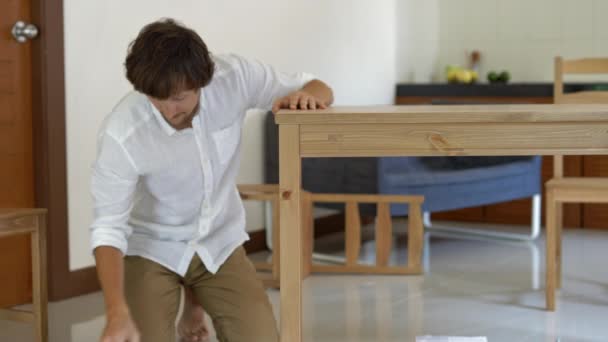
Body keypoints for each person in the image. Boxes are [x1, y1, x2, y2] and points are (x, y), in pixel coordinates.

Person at [91, 18, 334, 342]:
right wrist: (116, 313)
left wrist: (306, 97)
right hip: (152, 247)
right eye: (155, 97)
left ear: (202, 80)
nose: (167, 109)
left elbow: (319, 85)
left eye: (178, 97)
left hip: (219, 242)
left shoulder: (235, 76)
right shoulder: (122, 133)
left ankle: (196, 301)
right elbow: (108, 227)